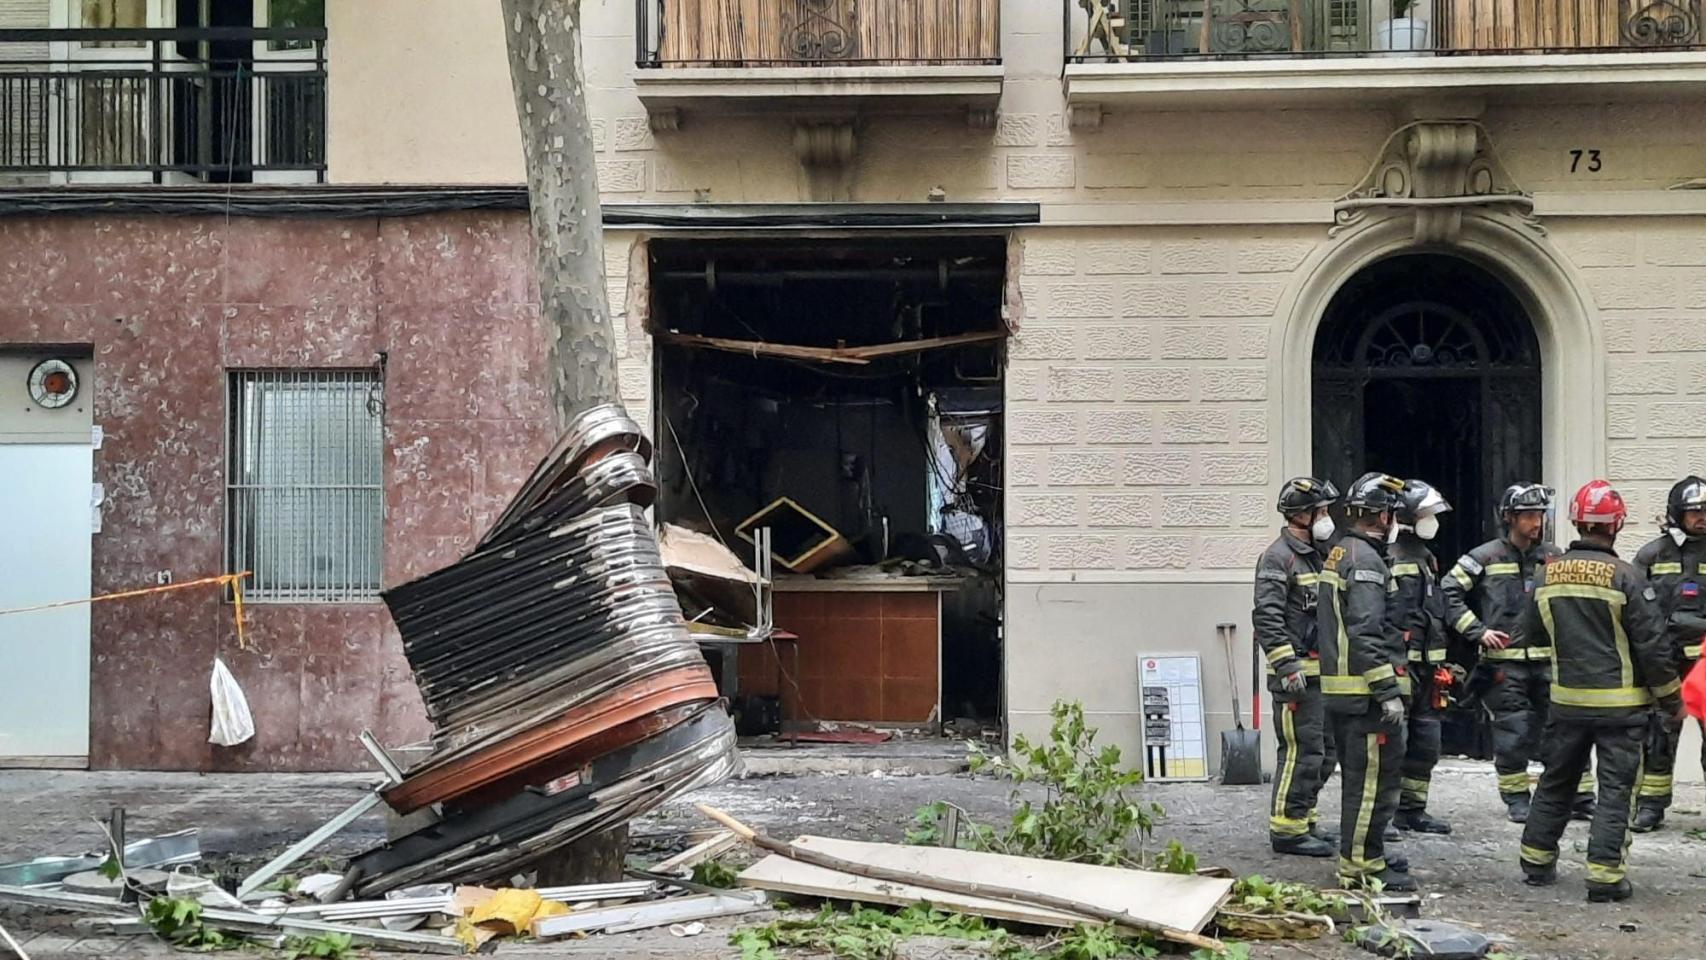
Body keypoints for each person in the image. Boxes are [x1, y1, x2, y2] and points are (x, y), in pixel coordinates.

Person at [1517, 480, 1684, 903]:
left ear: (1576, 521)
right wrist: (1671, 700)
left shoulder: (1546, 573)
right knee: (1615, 790)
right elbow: (1652, 646)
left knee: (1557, 782)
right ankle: (1605, 877)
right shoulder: (1625, 576)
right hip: (1621, 708)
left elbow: (1531, 632)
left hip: (1566, 702)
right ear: (1617, 525)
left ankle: (1536, 862)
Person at [1441, 483, 1593, 823]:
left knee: (1567, 729)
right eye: (1528, 516)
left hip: (1549, 664)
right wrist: (1477, 631)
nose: (1536, 523)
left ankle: (1581, 797)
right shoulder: (1484, 557)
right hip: (1504, 667)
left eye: (1539, 515)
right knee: (1514, 732)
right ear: (1509, 518)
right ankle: (1517, 799)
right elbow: (1447, 592)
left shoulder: (1554, 558)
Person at [1318, 472, 1414, 892]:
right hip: (1365, 699)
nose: (1395, 521)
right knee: (1371, 786)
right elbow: (1366, 631)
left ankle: (1366, 856)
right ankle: (1360, 868)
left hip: (1349, 694)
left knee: (1365, 784)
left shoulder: (1343, 551)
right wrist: (1388, 692)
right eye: (1392, 513)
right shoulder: (1365, 561)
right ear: (1379, 515)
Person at [1254, 477, 1341, 857]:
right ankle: (1287, 831)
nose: (1326, 518)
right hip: (1296, 678)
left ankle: (1304, 818)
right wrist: (1287, 666)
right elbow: (1267, 618)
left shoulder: (1318, 554)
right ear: (1300, 515)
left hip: (1322, 675)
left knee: (1325, 753)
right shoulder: (1278, 558)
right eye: (1320, 511)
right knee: (1300, 752)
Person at [1631, 475, 1706, 832]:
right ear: (1677, 513)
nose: (1702, 517)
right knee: (1659, 737)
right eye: (1694, 511)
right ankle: (1651, 807)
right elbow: (1634, 609)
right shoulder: (1651, 554)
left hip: (1705, 664)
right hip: (1667, 663)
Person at [1389, 480, 1455, 834]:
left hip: (1428, 667)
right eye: (1428, 515)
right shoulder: (1390, 557)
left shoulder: (1426, 557)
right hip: (1402, 665)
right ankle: (1385, 811)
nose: (1434, 521)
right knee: (1394, 744)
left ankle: (1413, 809)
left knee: (1426, 742)